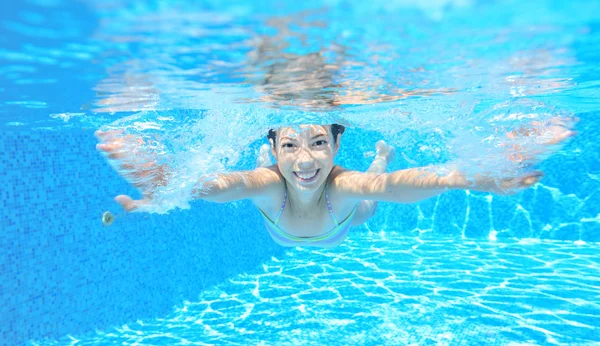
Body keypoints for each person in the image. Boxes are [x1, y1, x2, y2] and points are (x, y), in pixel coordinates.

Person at [95, 119, 575, 247]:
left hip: (341, 222)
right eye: (291, 146)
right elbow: (225, 186)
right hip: (281, 220)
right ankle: (273, 151)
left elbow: (389, 190)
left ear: (335, 146)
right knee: (264, 181)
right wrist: (174, 186)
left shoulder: (339, 183)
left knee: (369, 193)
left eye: (319, 143)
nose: (306, 160)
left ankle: (379, 157)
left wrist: (461, 177)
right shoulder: (270, 183)